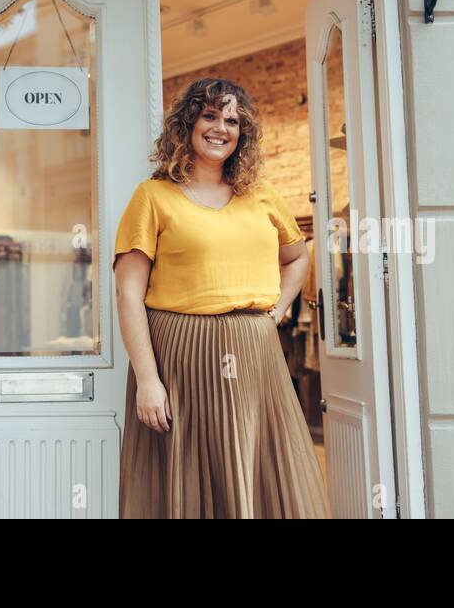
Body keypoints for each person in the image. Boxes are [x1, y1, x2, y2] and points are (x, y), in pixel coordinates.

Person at [113, 78, 329, 518]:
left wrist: (278, 310)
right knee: (192, 480)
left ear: (241, 133)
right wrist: (148, 380)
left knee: (267, 471)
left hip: (256, 354)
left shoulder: (261, 195)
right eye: (210, 115)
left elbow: (297, 255)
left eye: (231, 120)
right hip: (181, 355)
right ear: (188, 123)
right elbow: (128, 292)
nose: (220, 128)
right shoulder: (153, 196)